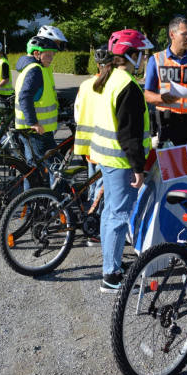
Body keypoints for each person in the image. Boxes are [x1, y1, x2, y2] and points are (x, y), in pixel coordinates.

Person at [90, 29, 153, 293]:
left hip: (106, 157)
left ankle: (111, 265)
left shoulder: (109, 78)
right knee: (118, 216)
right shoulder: (128, 86)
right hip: (120, 161)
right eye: (141, 54)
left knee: (109, 214)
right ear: (131, 55)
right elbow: (130, 133)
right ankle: (111, 277)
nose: (144, 59)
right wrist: (138, 167)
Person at [144, 16, 187, 193]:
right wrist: (161, 99)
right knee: (173, 174)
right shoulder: (156, 59)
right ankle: (175, 215)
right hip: (169, 124)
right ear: (172, 34)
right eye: (185, 34)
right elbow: (147, 94)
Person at [73, 45, 109, 245]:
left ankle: (92, 223)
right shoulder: (110, 85)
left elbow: (77, 114)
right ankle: (95, 229)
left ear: (96, 64)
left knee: (94, 185)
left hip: (88, 145)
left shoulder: (85, 85)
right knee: (103, 190)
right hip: (106, 146)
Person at [13, 36, 60, 180]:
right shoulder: (35, 70)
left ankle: (34, 198)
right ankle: (54, 197)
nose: (51, 57)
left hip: (33, 128)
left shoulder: (30, 67)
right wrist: (34, 122)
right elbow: (25, 96)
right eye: (48, 54)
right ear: (36, 54)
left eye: (53, 54)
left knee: (35, 166)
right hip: (36, 130)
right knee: (53, 166)